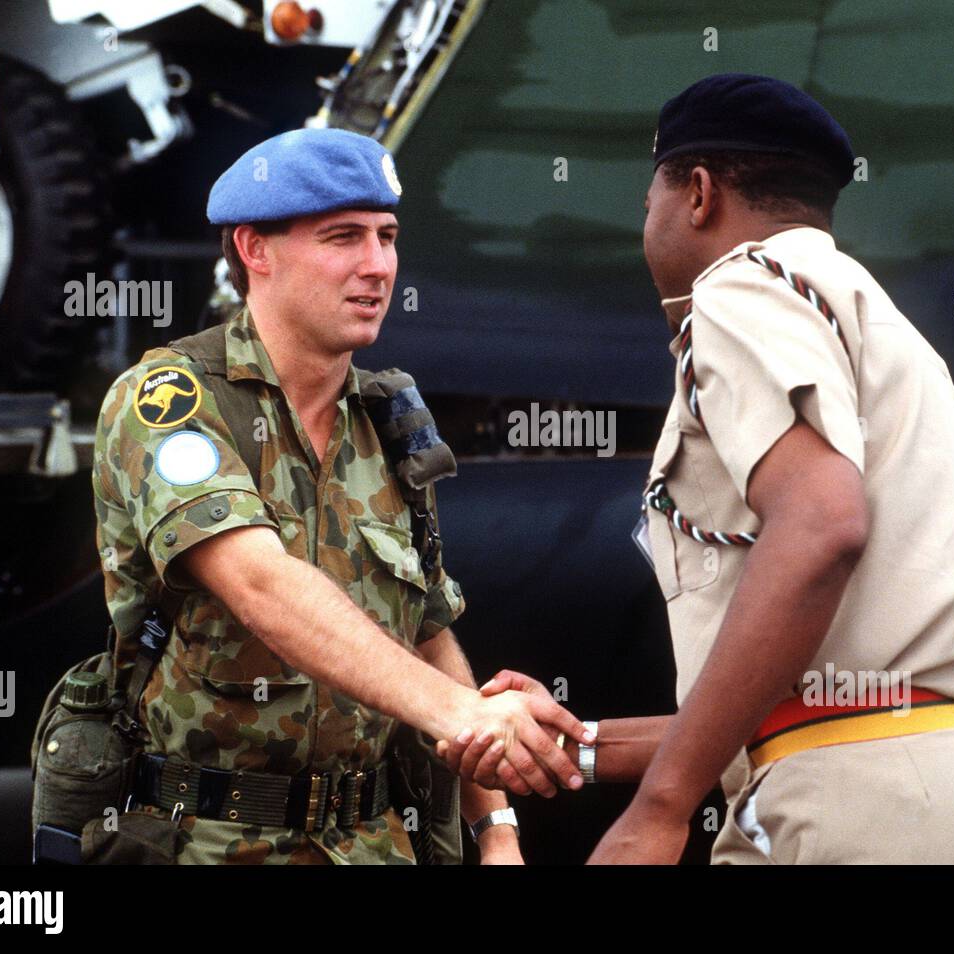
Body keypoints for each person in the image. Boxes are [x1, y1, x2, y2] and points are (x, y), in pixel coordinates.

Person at [438, 74, 954, 865]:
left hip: (852, 800)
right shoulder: (885, 330)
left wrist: (660, 809)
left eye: (648, 202)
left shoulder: (740, 287)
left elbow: (822, 525)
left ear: (698, 195)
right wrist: (582, 744)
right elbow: (816, 700)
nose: (647, 225)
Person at [93, 127, 591, 864]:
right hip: (210, 840)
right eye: (343, 238)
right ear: (255, 250)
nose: (377, 265)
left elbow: (425, 629)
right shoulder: (168, 400)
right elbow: (260, 584)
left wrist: (497, 833)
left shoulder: (387, 423)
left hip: (372, 840)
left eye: (387, 237)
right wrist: (464, 712)